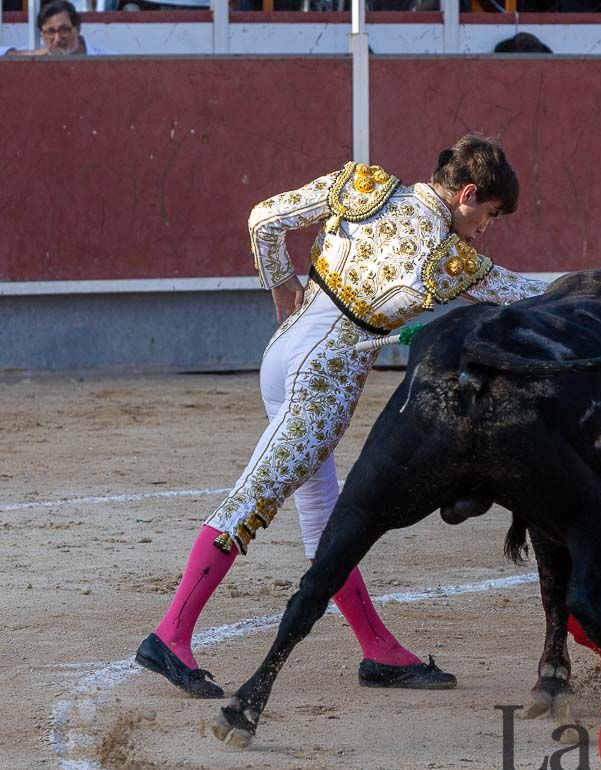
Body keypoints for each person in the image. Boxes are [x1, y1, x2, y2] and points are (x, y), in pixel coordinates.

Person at [135, 134, 546, 698]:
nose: (486, 228)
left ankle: (379, 650)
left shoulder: (364, 187)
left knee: (328, 520)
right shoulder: (451, 259)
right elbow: (528, 296)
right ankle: (170, 635)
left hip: (282, 354)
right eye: (490, 214)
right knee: (252, 500)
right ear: (467, 193)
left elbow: (264, 221)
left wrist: (282, 288)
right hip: (323, 381)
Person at [3, 0, 115, 56]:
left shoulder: (106, 58)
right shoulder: (40, 51)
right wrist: (33, 55)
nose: (57, 39)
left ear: (78, 28)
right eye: (50, 32)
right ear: (42, 33)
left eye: (64, 30)